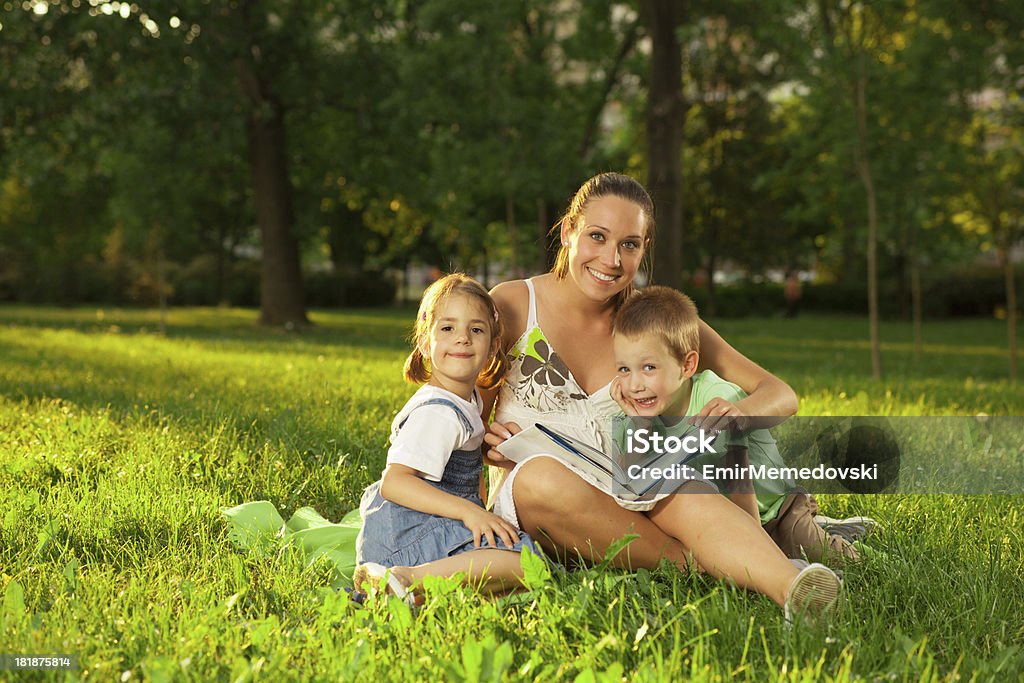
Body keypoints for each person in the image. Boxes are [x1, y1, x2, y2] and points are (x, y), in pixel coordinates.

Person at [482, 172, 839, 620]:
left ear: (643, 249)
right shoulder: (512, 305)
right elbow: (462, 414)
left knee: (679, 485)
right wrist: (487, 445)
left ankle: (796, 589)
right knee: (539, 479)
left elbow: (779, 394)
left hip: (642, 492)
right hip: (554, 506)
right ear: (569, 231)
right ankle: (710, 565)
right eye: (597, 236)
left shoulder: (653, 320)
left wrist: (737, 414)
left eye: (629, 244)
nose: (611, 260)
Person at [610, 286, 860, 564]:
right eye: (624, 369)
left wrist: (759, 552)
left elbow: (741, 486)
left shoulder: (717, 402)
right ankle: (834, 530)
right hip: (725, 522)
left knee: (833, 557)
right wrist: (640, 427)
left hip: (775, 510)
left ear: (687, 365)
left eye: (648, 368)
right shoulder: (632, 418)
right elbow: (631, 488)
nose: (634, 385)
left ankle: (847, 543)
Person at [354, 273, 537, 603]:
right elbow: (395, 483)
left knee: (519, 573)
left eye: (476, 330)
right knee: (527, 564)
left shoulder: (465, 400)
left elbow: (451, 456)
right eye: (448, 328)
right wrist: (472, 513)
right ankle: (408, 578)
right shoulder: (438, 412)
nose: (462, 339)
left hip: (427, 527)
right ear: (425, 341)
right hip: (411, 534)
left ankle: (412, 593)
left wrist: (485, 448)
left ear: (493, 345)